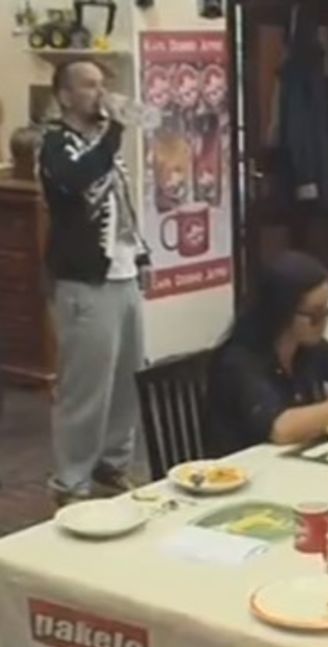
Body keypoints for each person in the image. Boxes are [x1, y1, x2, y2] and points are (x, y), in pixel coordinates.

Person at [39, 59, 151, 506]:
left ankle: (112, 465)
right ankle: (71, 481)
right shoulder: (56, 143)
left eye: (102, 85)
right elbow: (73, 183)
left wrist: (141, 251)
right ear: (65, 95)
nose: (99, 93)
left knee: (128, 378)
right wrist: (117, 132)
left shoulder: (102, 142)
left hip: (122, 274)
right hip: (84, 280)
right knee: (85, 385)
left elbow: (120, 199)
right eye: (88, 86)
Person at [208, 251, 328, 452]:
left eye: (327, 309)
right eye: (314, 315)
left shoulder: (308, 346)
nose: (323, 323)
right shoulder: (239, 361)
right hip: (246, 469)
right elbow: (281, 428)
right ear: (281, 312)